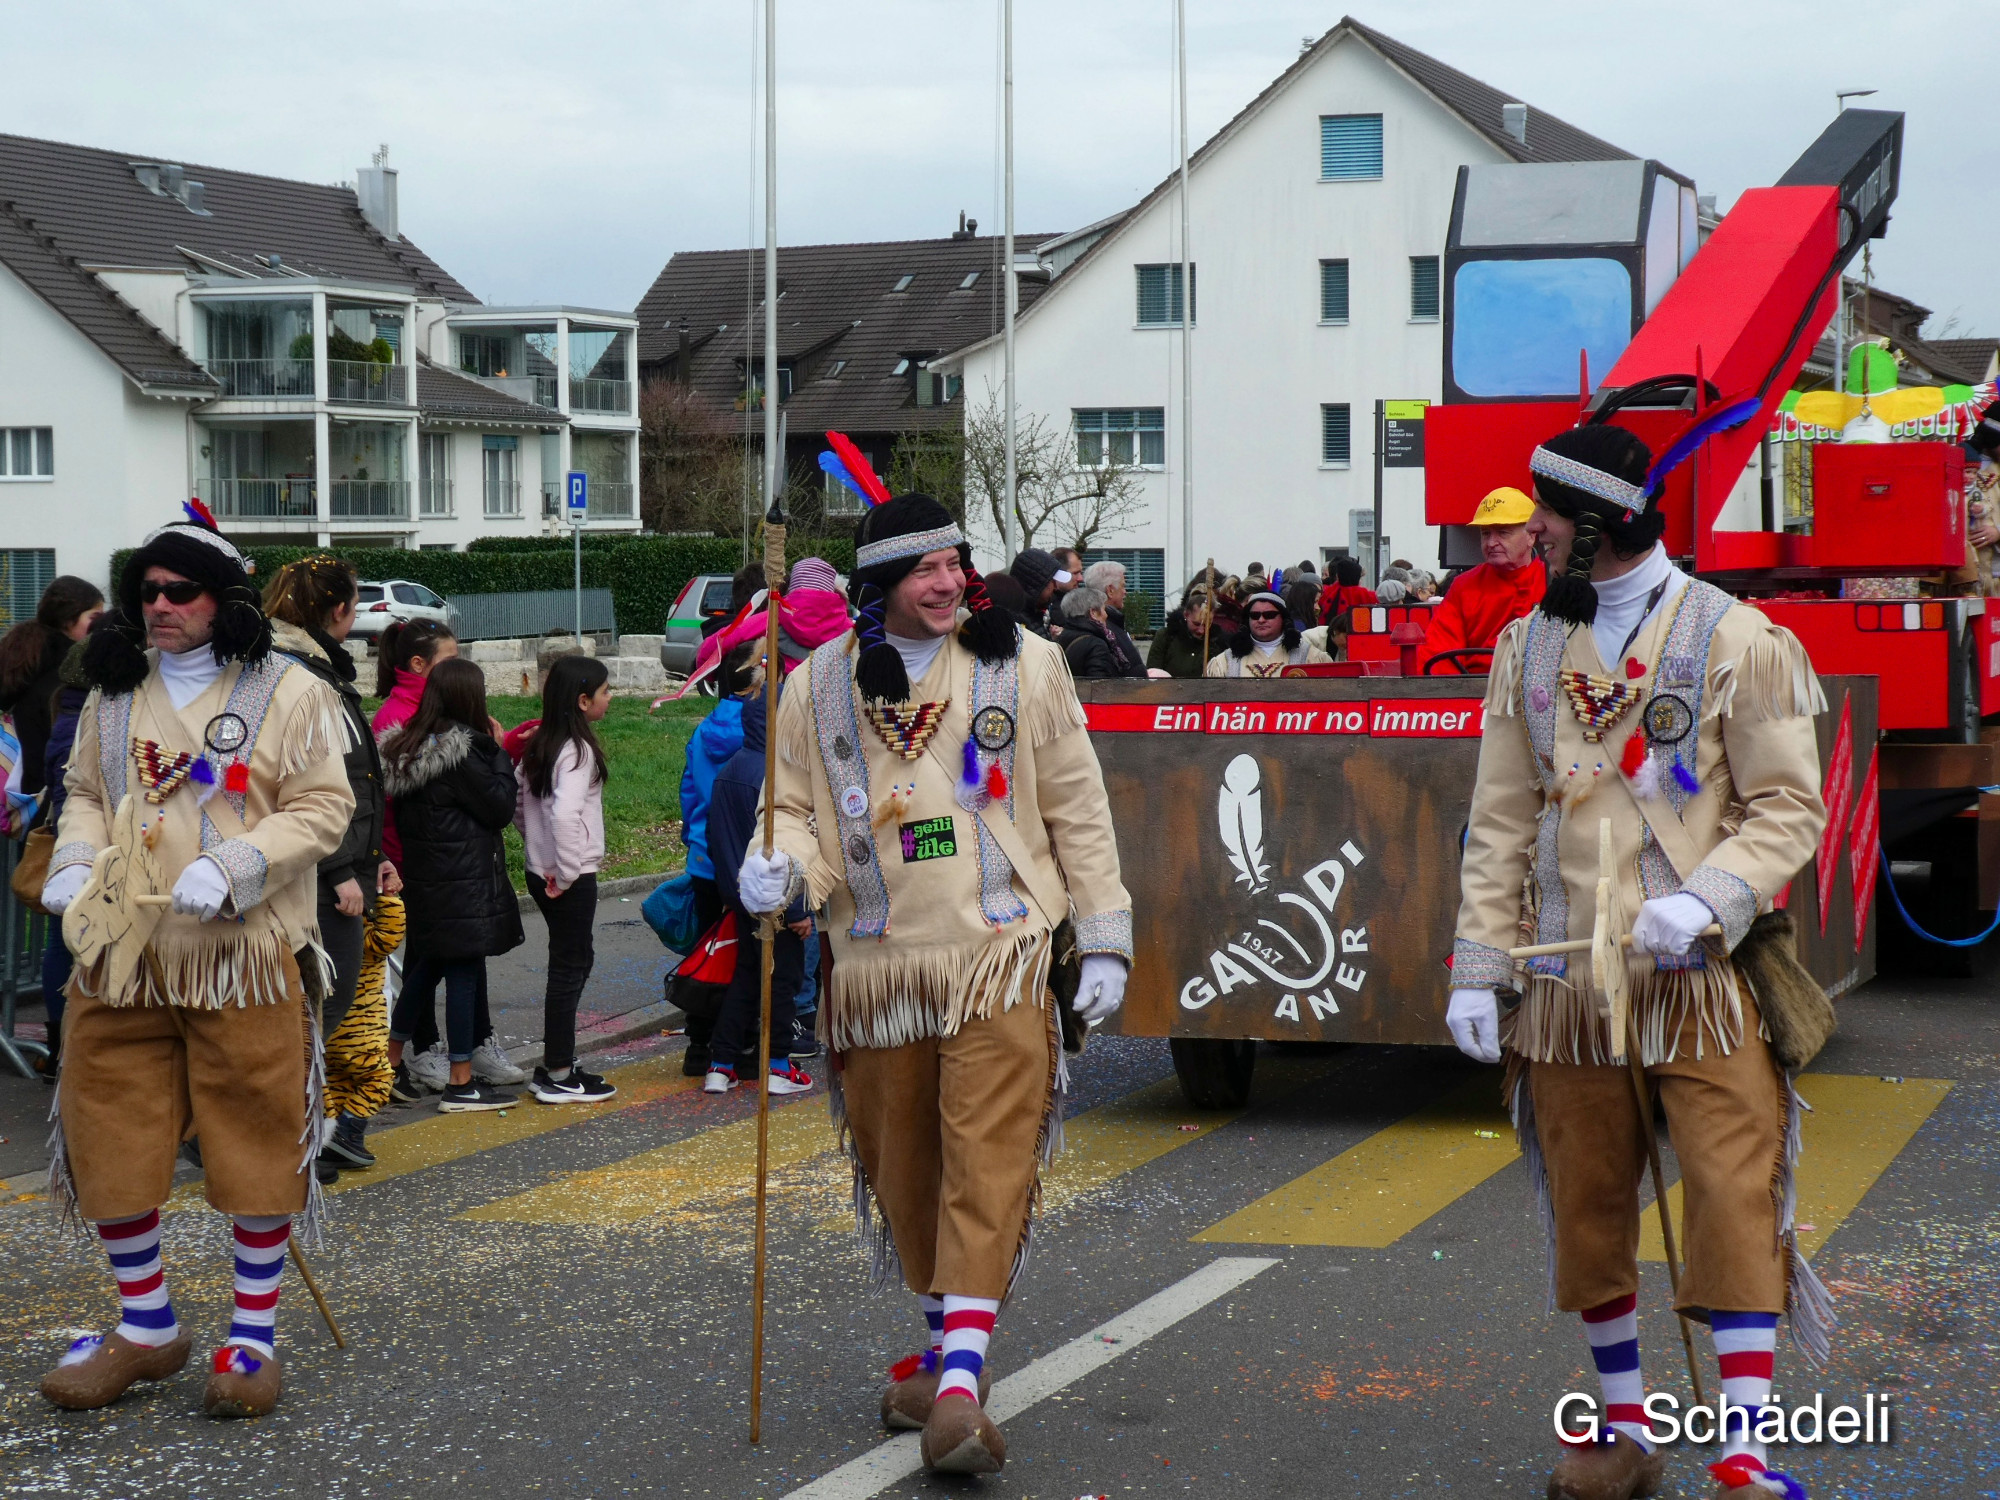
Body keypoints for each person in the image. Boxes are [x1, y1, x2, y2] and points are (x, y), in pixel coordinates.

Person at [1447, 424, 1831, 1500]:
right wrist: (1476, 963)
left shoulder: (1736, 637)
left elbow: (1784, 806)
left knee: (1731, 1187)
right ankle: (1624, 1430)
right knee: (1589, 1204)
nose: (1530, 531)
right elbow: (1499, 819)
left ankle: (1742, 1449)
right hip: (1566, 987)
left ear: (1596, 525)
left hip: (1697, 980)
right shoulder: (1526, 647)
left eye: (1547, 515)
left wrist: (1707, 899)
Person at [744, 493, 1131, 1475]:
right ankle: (941, 1359)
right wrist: (777, 869)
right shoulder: (816, 685)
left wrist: (1105, 937)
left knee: (985, 1158)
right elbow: (792, 810)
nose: (950, 582)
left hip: (1001, 954)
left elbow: (1078, 805)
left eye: (956, 563)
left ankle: (959, 1385)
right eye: (927, 570)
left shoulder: (1026, 662)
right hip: (875, 968)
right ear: (880, 586)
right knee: (904, 1166)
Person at [37, 507, 353, 1418]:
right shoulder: (113, 694)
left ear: (225, 600)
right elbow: (85, 794)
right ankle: (147, 1328)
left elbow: (324, 808)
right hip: (122, 957)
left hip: (240, 956)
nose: (161, 605)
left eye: (180, 591)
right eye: (147, 592)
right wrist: (73, 862)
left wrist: (238, 863)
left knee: (256, 1136)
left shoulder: (290, 691)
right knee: (105, 1133)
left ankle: (252, 1338)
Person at [260, 555, 400, 1178]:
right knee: (314, 1008)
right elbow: (315, 781)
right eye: (354, 603)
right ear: (339, 609)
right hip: (315, 872)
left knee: (314, 1010)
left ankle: (289, 1138)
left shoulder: (307, 665)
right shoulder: (299, 672)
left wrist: (375, 857)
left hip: (329, 863)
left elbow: (352, 783)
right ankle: (273, 1140)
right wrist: (343, 868)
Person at [374, 621, 517, 1098]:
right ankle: (460, 1082)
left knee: (426, 969)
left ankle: (391, 1056)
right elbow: (499, 807)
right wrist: (499, 753)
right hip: (461, 882)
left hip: (423, 875)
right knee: (460, 973)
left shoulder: (408, 742)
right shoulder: (462, 751)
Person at [0, 576, 105, 1077]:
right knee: (71, 934)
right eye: (94, 619)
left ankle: (61, 1044)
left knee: (57, 935)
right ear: (71, 621)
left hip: (34, 814)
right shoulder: (71, 676)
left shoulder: (24, 661)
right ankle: (69, 1047)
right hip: (62, 817)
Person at [700, 647, 814, 1097]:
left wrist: (734, 893)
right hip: (777, 900)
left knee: (746, 979)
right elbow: (784, 846)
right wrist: (798, 909)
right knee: (783, 981)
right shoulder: (775, 777)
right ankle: (778, 1063)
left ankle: (721, 1063)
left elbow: (717, 836)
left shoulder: (730, 770)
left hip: (740, 896)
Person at [516, 655, 618, 1105]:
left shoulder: (540, 744)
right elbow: (563, 814)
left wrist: (538, 851)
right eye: (604, 691)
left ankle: (560, 1061)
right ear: (582, 700)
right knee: (569, 967)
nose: (609, 698)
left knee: (575, 960)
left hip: (542, 871)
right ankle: (557, 1071)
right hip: (567, 877)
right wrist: (569, 869)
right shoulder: (576, 751)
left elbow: (520, 805)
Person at [675, 656, 750, 1076]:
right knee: (745, 956)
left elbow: (689, 789)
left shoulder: (703, 729)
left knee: (706, 951)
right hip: (745, 858)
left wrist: (694, 839)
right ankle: (735, 1044)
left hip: (704, 857)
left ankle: (698, 1044)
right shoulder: (762, 732)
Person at [1417, 486, 1548, 675]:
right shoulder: (1464, 586)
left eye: (1503, 532)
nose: (1491, 543)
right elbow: (1437, 654)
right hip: (1474, 688)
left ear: (1531, 537)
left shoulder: (1553, 583)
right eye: (1485, 533)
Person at [1204, 591, 1334, 677]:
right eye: (1255, 616)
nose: (1261, 620)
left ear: (1283, 618)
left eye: (1269, 615)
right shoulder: (1225, 662)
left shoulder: (1311, 658)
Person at [1080, 560, 1147, 679]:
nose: (1125, 592)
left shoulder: (1098, 625)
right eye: (1123, 586)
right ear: (1110, 590)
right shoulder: (1105, 631)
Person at [1057, 584, 1138, 680]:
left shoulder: (1060, 639)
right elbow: (1098, 685)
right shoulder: (1096, 645)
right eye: (1104, 609)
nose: (1106, 615)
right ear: (1093, 613)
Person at [1146, 583, 1216, 678]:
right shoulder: (1166, 637)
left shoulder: (1217, 643)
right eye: (1196, 624)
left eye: (1206, 625)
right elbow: (1152, 675)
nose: (1201, 631)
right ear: (1186, 615)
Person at [1007, 548, 1062, 637]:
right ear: (1037, 583)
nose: (1056, 587)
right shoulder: (1017, 622)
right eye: (1052, 581)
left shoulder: (1033, 615)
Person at [1318, 555, 1378, 627]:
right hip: (1358, 629)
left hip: (1328, 629)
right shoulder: (1365, 594)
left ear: (1338, 575)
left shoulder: (1327, 591)